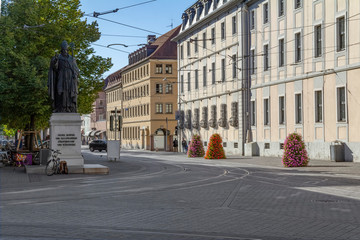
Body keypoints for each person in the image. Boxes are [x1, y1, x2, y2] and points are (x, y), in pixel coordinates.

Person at [48, 40, 80, 113]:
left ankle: (70, 107)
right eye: (63, 49)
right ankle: (59, 107)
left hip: (70, 78)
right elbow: (54, 67)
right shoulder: (58, 57)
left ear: (67, 49)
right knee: (60, 91)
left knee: (69, 92)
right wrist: (55, 60)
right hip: (61, 76)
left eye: (66, 49)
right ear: (61, 49)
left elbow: (76, 69)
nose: (65, 51)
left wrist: (75, 74)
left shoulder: (72, 59)